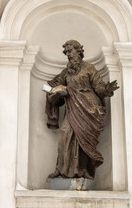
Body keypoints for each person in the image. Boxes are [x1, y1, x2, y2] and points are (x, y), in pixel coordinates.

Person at [45, 40, 118, 179]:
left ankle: (83, 169)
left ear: (79, 51)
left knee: (83, 139)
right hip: (72, 107)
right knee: (64, 133)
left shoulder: (89, 68)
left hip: (89, 108)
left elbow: (99, 88)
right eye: (66, 52)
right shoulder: (65, 72)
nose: (68, 54)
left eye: (70, 51)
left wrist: (107, 89)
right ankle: (61, 169)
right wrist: (52, 91)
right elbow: (56, 85)